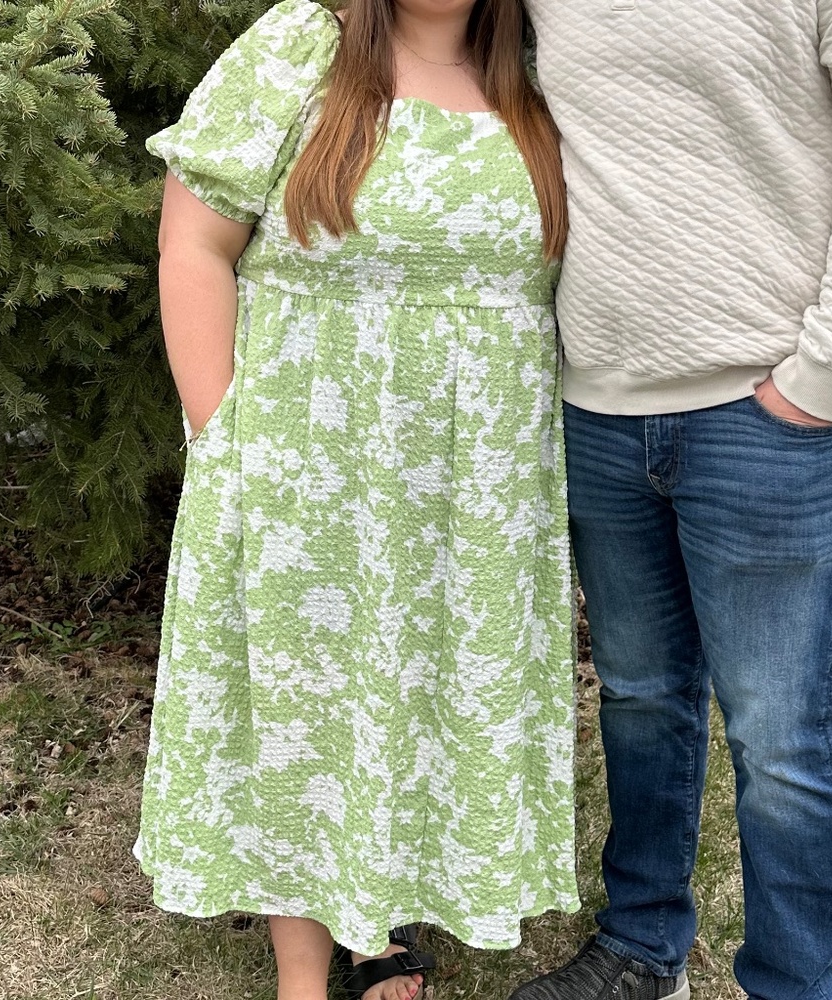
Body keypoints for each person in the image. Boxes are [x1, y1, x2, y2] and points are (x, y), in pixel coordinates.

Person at [134, 2, 580, 999]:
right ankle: (305, 966)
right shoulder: (300, 46)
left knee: (422, 694)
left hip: (476, 491)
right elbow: (192, 241)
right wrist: (222, 436)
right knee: (304, 700)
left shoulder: (548, 72)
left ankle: (379, 928)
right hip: (307, 466)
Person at [511, 2, 832, 999]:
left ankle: (791, 985)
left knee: (777, 731)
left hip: (776, 409)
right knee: (639, 699)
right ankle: (642, 947)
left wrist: (829, 369)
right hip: (599, 404)